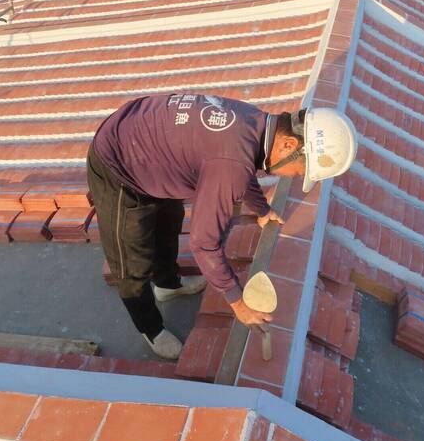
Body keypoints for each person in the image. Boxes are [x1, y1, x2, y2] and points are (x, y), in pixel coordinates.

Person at [87, 93, 357, 359]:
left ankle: (167, 285)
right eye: (299, 171)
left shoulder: (256, 122)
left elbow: (242, 167)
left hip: (148, 148)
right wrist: (238, 302)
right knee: (132, 263)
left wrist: (261, 209)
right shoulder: (232, 160)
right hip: (118, 162)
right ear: (288, 145)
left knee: (169, 220)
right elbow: (203, 243)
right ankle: (151, 329)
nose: (295, 176)